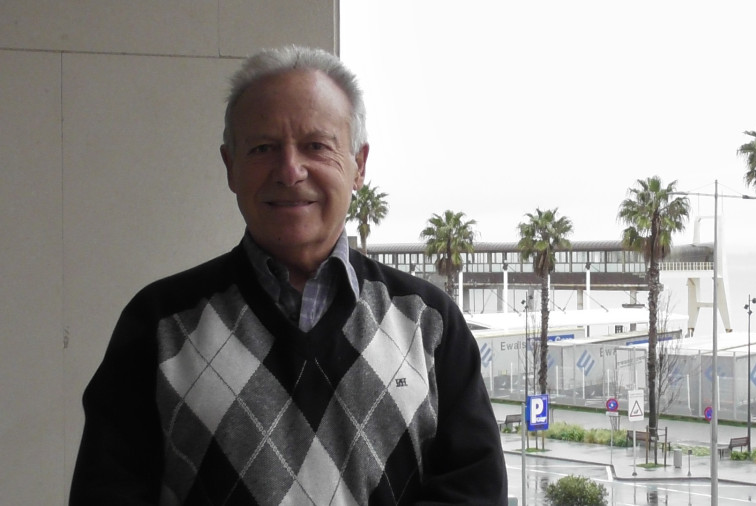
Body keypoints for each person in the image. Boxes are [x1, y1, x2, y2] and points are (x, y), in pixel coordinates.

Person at [70, 44, 507, 505]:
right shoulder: (159, 324)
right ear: (230, 167)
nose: (290, 170)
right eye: (263, 148)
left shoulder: (428, 323)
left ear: (358, 165)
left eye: (316, 146)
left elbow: (474, 493)